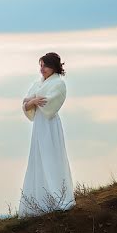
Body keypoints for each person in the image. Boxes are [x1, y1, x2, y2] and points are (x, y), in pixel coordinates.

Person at [18, 52, 76, 216]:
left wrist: (33, 101)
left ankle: (57, 196)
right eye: (41, 65)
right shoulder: (38, 84)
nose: (42, 69)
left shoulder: (58, 84)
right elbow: (26, 104)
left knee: (52, 158)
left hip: (49, 126)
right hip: (39, 126)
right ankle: (39, 201)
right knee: (38, 159)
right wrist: (33, 101)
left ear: (53, 66)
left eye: (45, 65)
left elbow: (48, 105)